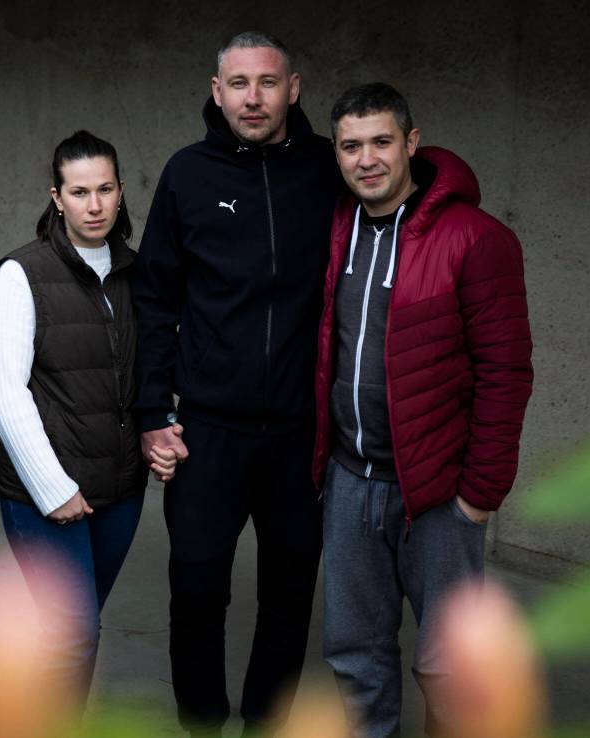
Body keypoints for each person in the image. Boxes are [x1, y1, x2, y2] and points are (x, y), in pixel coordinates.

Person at [133, 32, 344, 737]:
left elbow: (399, 178)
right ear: (215, 90)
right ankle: (200, 723)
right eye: (238, 83)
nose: (253, 97)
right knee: (195, 588)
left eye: (268, 82)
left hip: (299, 431)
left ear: (295, 87)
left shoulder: (327, 169)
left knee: (289, 594)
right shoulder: (187, 175)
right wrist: (151, 412)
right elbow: (155, 299)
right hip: (208, 430)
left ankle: (266, 722)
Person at [313, 83, 534, 738]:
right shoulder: (336, 230)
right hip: (350, 482)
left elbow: (506, 372)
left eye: (382, 141)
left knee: (449, 667)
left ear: (411, 143)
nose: (367, 159)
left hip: (438, 494)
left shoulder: (477, 239)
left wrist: (480, 494)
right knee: (355, 654)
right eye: (351, 146)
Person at [0, 130, 179, 708]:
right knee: (73, 636)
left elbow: (148, 375)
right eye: (78, 191)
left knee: (66, 636)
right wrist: (52, 488)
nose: (93, 205)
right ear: (56, 196)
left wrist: (158, 433)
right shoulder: (22, 274)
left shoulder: (138, 273)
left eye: (105, 189)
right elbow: (5, 390)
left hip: (118, 492)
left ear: (121, 193)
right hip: (45, 497)